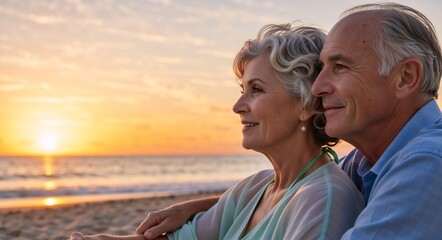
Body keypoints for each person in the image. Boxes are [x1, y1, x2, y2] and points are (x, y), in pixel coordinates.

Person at [136, 2, 442, 239]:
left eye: (340, 67)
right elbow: (292, 193)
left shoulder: (428, 162)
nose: (318, 88)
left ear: (405, 77)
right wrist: (197, 207)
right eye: (322, 68)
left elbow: (317, 194)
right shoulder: (365, 164)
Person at [69, 23, 365, 240]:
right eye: (242, 90)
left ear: (305, 103)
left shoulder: (322, 201)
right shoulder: (256, 188)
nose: (238, 106)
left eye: (256, 90)